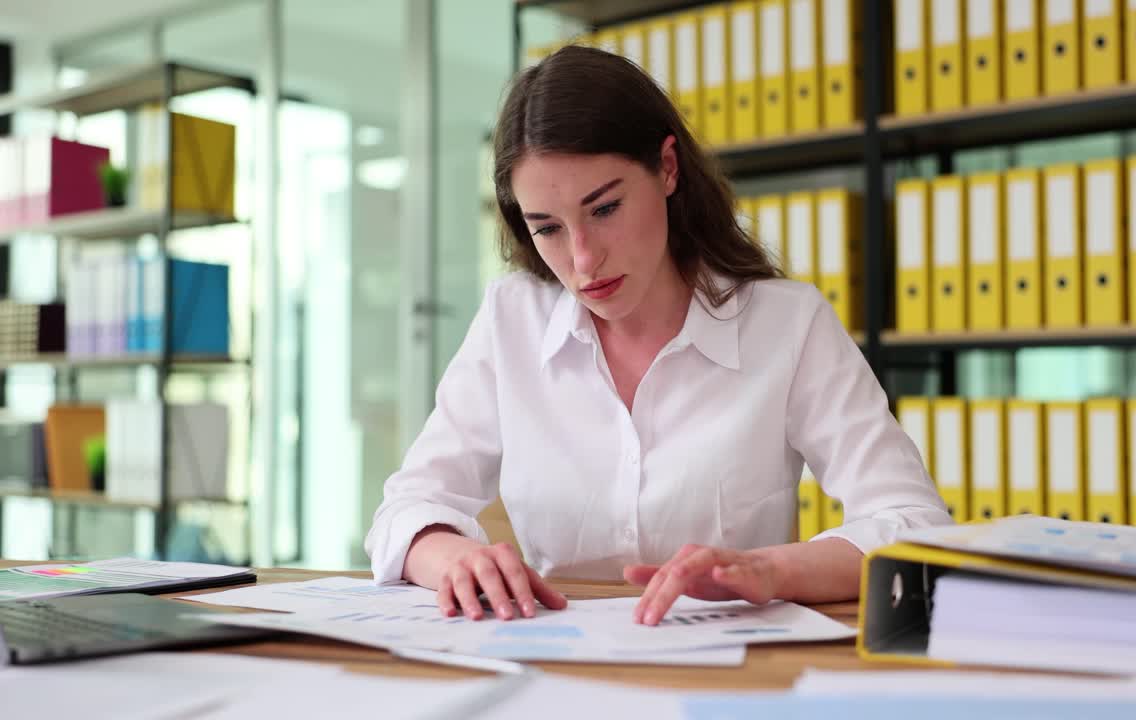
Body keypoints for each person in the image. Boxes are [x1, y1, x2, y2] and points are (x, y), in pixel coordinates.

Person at [365, 44, 951, 626]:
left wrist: (771, 570)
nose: (584, 259)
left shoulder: (787, 325)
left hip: (729, 673)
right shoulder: (510, 318)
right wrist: (451, 558)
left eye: (605, 209)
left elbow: (914, 522)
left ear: (667, 168)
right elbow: (406, 510)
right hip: (557, 671)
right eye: (548, 228)